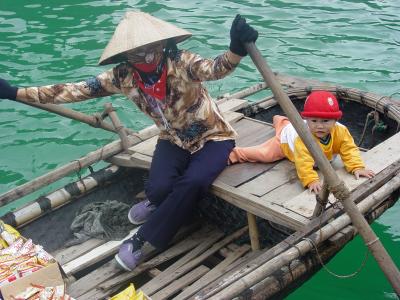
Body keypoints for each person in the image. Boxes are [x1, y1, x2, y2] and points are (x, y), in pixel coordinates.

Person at [0, 11, 258, 271]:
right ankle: (158, 203)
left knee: (193, 182)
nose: (147, 57)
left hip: (213, 136)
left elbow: (214, 68)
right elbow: (73, 90)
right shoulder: (122, 76)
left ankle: (140, 240)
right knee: (158, 189)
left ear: (162, 44)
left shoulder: (182, 61)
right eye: (138, 53)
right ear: (126, 57)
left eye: (152, 49)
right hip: (173, 138)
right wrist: (15, 93)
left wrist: (236, 49)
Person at [229, 90, 375, 193]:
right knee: (265, 154)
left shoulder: (341, 131)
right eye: (314, 121)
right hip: (285, 143)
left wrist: (356, 167)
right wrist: (311, 180)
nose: (319, 125)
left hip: (292, 128)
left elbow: (349, 149)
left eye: (325, 121)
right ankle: (234, 154)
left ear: (335, 120)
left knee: (285, 125)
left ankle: (280, 120)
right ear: (307, 120)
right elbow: (303, 162)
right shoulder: (303, 138)